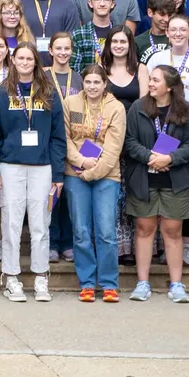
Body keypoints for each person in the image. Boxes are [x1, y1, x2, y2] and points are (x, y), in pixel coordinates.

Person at [0, 43, 66, 302]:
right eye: (19, 57)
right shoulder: (2, 93)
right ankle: (11, 278)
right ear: (13, 60)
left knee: (40, 224)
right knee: (11, 221)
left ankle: (41, 277)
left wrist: (58, 175)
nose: (24, 62)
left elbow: (57, 137)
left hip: (42, 167)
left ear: (36, 61)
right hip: (11, 166)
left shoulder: (48, 92)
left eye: (29, 58)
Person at [125, 64, 189, 302]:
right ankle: (142, 283)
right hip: (143, 178)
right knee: (144, 230)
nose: (150, 84)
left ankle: (177, 284)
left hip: (175, 179)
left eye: (156, 80)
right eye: (150, 80)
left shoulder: (185, 110)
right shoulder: (138, 107)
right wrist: (150, 157)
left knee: (173, 231)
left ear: (169, 86)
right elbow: (128, 141)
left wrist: (170, 158)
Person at [62, 63, 127, 301]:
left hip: (106, 175)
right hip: (75, 173)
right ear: (83, 83)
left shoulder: (116, 108)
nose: (92, 86)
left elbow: (113, 148)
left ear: (105, 84)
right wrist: (80, 161)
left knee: (106, 231)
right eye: (88, 82)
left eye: (96, 82)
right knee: (80, 230)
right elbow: (65, 137)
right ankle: (87, 282)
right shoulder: (71, 103)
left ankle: (109, 283)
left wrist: (91, 171)